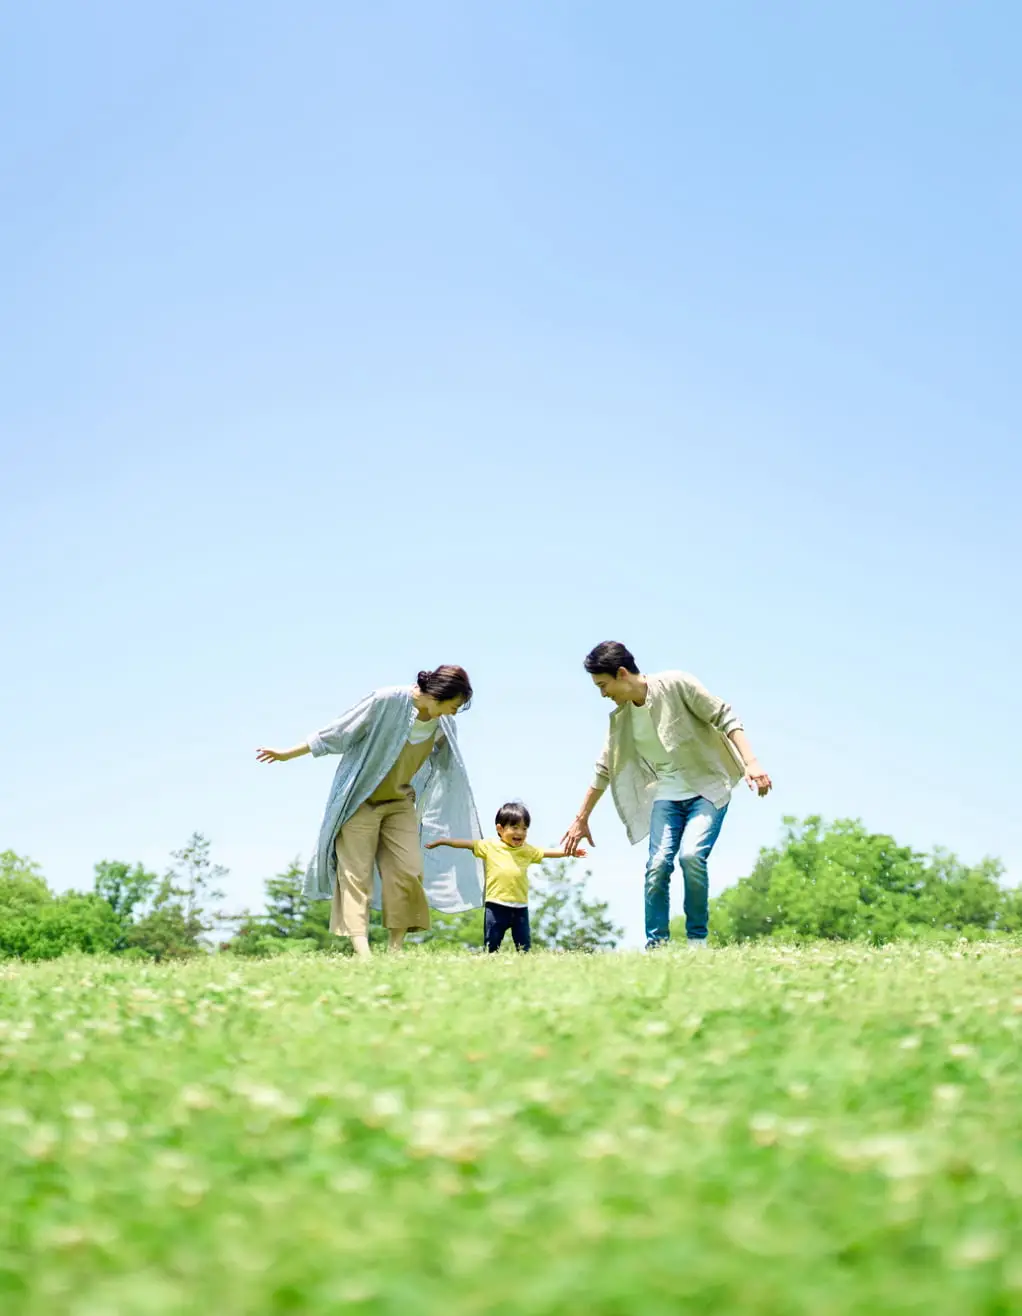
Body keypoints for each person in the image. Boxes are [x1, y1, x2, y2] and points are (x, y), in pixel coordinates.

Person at [256, 666, 483, 958]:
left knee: (408, 871)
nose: (454, 713)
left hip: (400, 802)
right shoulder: (387, 700)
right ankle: (364, 955)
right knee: (355, 875)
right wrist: (288, 754)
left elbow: (448, 772)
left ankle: (395, 951)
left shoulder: (444, 726)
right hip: (360, 800)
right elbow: (339, 732)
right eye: (453, 705)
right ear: (439, 694)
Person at [560, 642, 772, 950]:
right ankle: (657, 946)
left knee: (691, 857)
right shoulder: (622, 718)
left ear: (622, 673)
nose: (603, 694)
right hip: (667, 795)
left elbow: (724, 715)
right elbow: (604, 769)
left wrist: (752, 763)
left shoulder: (676, 684)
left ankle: (697, 940)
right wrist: (581, 819)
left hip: (707, 788)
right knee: (657, 865)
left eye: (603, 685)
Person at [427, 801, 585, 953]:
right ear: (500, 829)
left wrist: (569, 852)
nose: (520, 833)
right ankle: (490, 960)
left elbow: (547, 852)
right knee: (491, 945)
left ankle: (524, 963)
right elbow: (465, 844)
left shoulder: (526, 850)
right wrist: (443, 841)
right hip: (496, 905)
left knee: (524, 946)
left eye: (524, 828)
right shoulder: (490, 846)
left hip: (520, 907)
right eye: (515, 827)